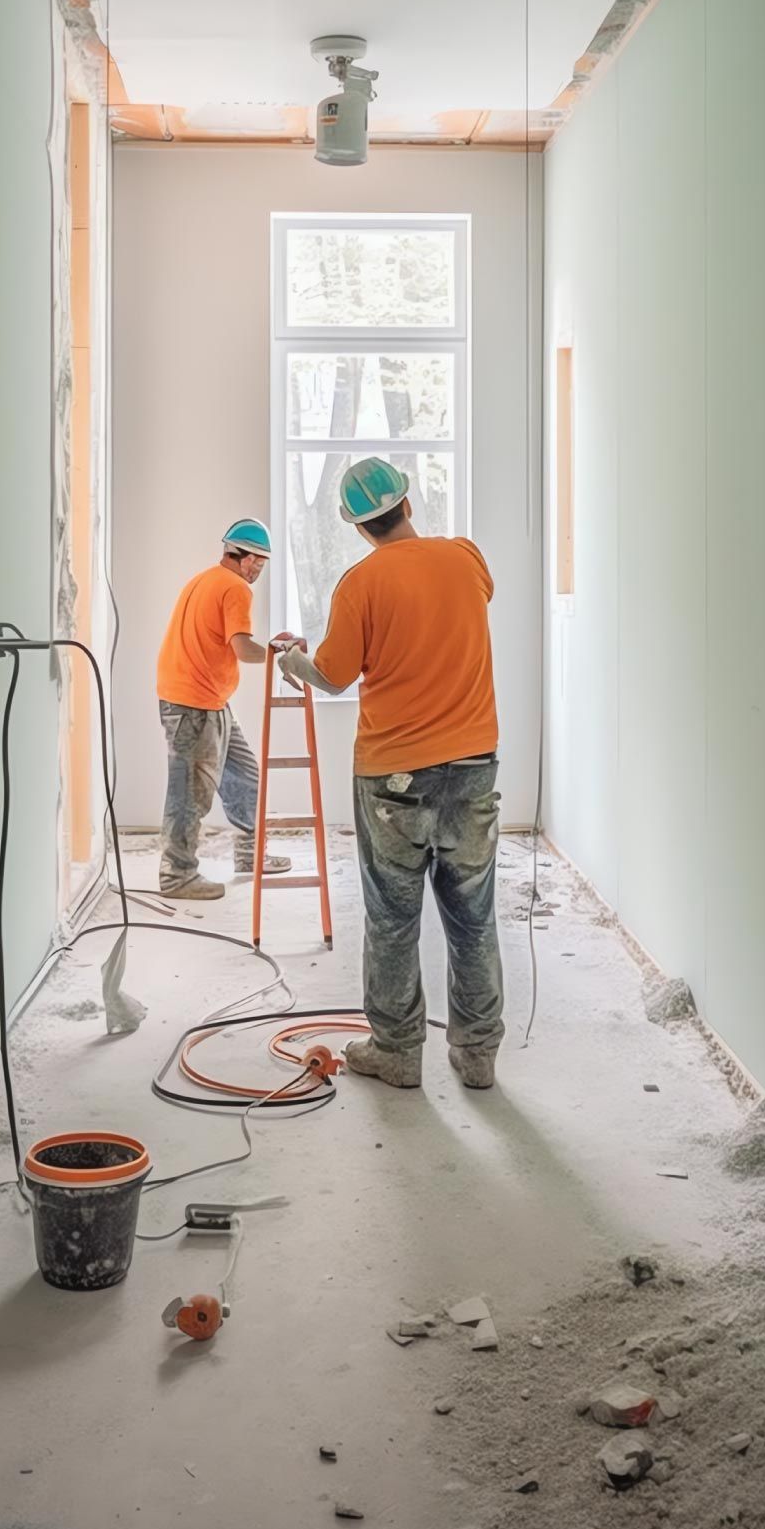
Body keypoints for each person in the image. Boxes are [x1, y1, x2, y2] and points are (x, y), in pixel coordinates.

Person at [278, 459, 503, 1089]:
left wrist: (292, 661)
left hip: (393, 776)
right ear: (407, 504)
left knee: (393, 918)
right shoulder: (466, 558)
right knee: (473, 916)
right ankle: (478, 1055)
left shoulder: (361, 584)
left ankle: (398, 1052)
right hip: (472, 766)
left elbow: (333, 675)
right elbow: (466, 603)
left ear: (357, 527)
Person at [156, 519, 292, 900]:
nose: (258, 572)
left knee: (245, 775)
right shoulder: (235, 588)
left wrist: (271, 649)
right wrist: (279, 655)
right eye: (259, 564)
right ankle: (177, 875)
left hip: (206, 700)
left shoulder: (203, 580)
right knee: (189, 792)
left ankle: (250, 854)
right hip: (193, 704)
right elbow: (243, 649)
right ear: (245, 559)